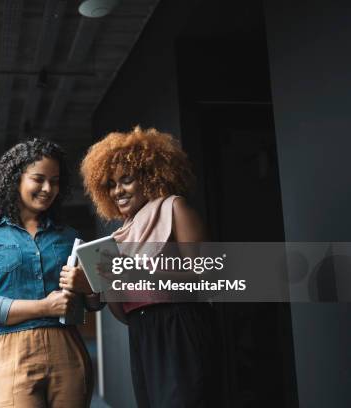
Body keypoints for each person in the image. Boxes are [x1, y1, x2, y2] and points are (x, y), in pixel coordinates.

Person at [62, 126, 218, 407]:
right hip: (141, 330)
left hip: (179, 323)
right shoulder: (120, 235)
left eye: (126, 180)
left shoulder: (174, 208)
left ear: (148, 177)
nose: (117, 190)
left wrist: (129, 271)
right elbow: (123, 310)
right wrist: (98, 283)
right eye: (110, 184)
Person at [0, 139, 95, 408]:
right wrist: (44, 306)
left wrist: (87, 288)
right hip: (10, 354)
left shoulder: (71, 237)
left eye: (55, 181)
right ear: (16, 179)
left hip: (67, 350)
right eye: (39, 179)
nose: (48, 189)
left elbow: (95, 304)